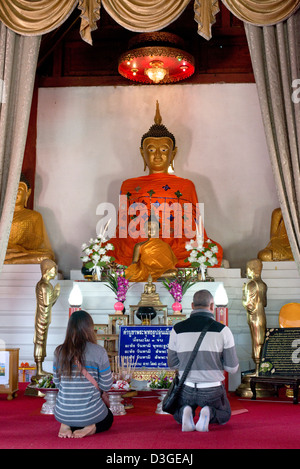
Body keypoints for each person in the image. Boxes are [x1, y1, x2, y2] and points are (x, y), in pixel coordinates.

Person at [106, 102, 223, 269]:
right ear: (142, 153)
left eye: (164, 150)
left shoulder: (185, 185)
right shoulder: (129, 185)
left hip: (175, 244)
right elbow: (123, 228)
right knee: (111, 249)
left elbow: (194, 228)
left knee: (212, 250)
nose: (158, 156)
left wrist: (168, 239)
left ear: (173, 153)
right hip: (140, 241)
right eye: (152, 150)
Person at [167, 289, 239, 432]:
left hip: (186, 388)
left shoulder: (177, 329)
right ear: (212, 306)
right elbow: (232, 368)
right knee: (224, 414)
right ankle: (208, 412)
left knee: (177, 414)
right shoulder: (223, 330)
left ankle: (186, 411)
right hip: (212, 389)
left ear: (192, 305)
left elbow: (172, 364)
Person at [53, 310, 113, 438]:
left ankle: (66, 424)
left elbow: (57, 382)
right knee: (108, 418)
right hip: (89, 413)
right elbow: (106, 385)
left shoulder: (59, 351)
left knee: (76, 413)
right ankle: (90, 427)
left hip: (62, 412)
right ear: (89, 328)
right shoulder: (99, 351)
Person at [5, 173, 55, 264]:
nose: (15, 194)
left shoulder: (34, 216)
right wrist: (10, 247)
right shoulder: (3, 215)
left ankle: (12, 260)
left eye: (19, 191)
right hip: (5, 252)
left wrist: (20, 249)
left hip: (23, 253)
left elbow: (38, 245)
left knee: (47, 257)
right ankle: (10, 259)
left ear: (27, 193)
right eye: (12, 191)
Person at [125, 216, 178, 281]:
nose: (151, 230)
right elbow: (134, 262)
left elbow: (170, 265)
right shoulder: (139, 245)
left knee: (174, 273)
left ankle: (150, 277)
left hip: (161, 271)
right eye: (148, 228)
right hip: (144, 271)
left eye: (154, 228)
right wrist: (132, 271)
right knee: (130, 273)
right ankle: (151, 277)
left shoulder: (165, 245)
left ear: (159, 229)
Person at [32, 259, 60, 380]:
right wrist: (56, 293)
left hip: (44, 316)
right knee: (40, 341)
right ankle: (39, 370)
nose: (55, 272)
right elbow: (47, 303)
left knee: (42, 341)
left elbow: (47, 304)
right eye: (53, 269)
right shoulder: (44, 285)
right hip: (42, 317)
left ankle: (40, 369)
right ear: (47, 270)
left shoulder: (45, 284)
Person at [242, 258, 267, 376]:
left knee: (256, 342)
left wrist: (243, 293)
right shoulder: (263, 285)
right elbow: (265, 303)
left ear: (251, 269)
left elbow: (249, 305)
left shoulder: (251, 284)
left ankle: (257, 370)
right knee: (261, 341)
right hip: (262, 315)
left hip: (254, 317)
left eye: (247, 268)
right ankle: (260, 369)